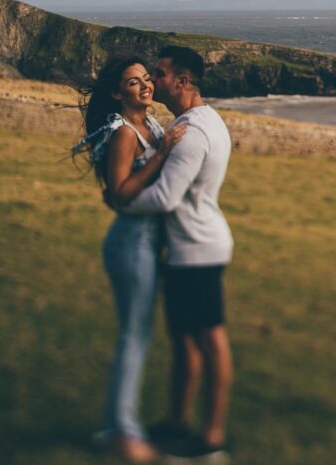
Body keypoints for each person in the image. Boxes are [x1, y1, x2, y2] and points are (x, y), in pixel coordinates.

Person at [111, 45, 235, 463]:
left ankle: (210, 440)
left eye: (159, 74)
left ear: (182, 81)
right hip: (188, 248)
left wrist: (121, 201)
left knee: (210, 341)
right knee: (185, 342)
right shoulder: (197, 121)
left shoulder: (192, 132)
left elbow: (164, 198)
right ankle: (177, 424)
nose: (151, 80)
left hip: (197, 248)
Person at [76, 55, 188, 463]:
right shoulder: (125, 133)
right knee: (134, 337)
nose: (144, 86)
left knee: (138, 335)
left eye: (146, 79)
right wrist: (161, 156)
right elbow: (120, 193)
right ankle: (123, 432)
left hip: (148, 240)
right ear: (116, 92)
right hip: (131, 242)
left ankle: (118, 427)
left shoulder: (153, 125)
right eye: (132, 82)